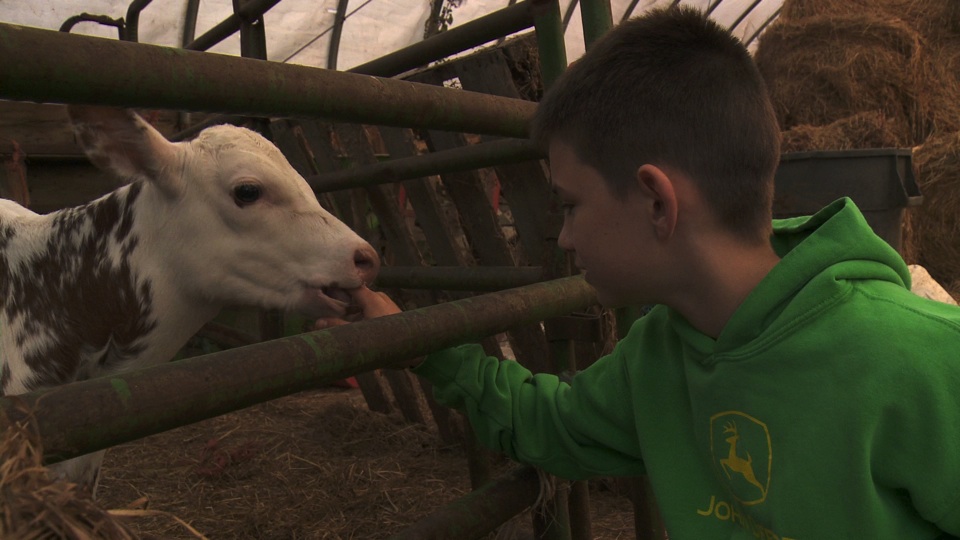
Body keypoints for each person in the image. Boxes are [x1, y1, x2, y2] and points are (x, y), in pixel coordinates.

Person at [318, 6, 960, 538]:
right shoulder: (655, 357)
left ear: (657, 202)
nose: (565, 238)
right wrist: (417, 344)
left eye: (571, 204)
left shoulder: (919, 360)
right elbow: (551, 425)